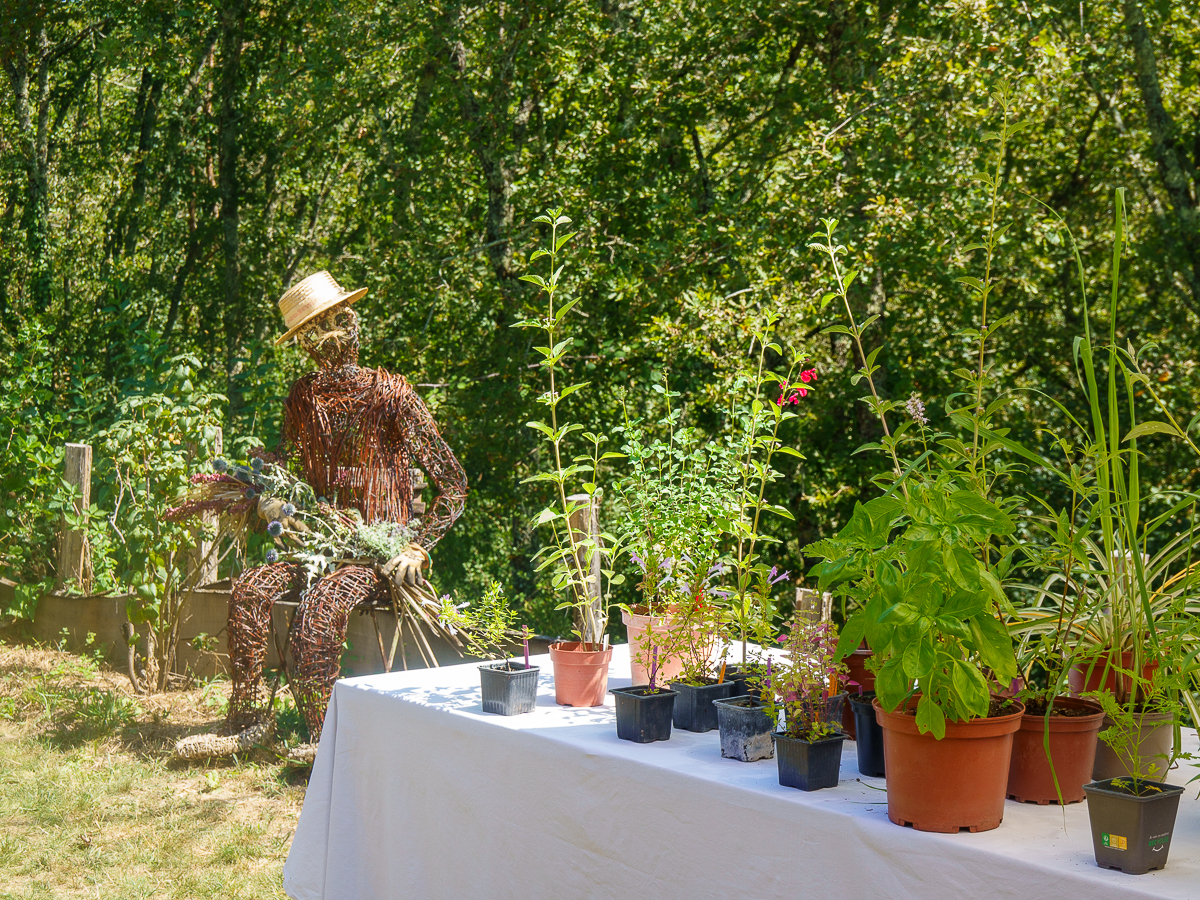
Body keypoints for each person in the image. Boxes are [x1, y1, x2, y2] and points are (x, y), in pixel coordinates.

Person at [177, 271, 467, 760]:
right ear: (305, 344)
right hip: (317, 546)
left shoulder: (392, 396)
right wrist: (267, 494)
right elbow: (287, 463)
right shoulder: (302, 398)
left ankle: (324, 736)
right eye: (316, 329)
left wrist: (417, 545)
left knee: (323, 605)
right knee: (249, 588)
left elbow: (453, 484)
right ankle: (247, 721)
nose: (330, 335)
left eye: (336, 320)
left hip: (376, 554)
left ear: (352, 322)